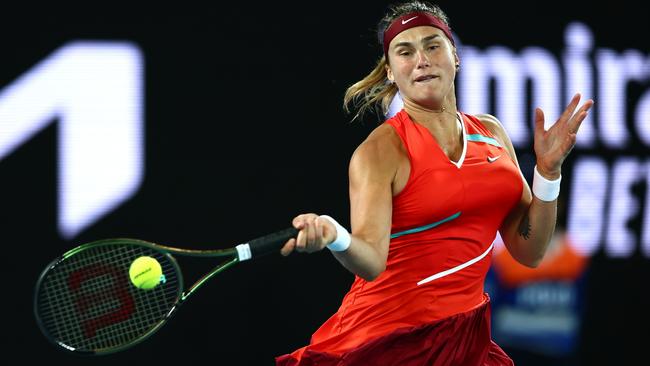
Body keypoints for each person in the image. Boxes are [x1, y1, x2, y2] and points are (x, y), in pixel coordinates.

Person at [276, 1, 594, 365]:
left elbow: (530, 251)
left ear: (454, 56)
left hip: (464, 340)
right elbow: (370, 261)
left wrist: (548, 173)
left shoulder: (491, 134)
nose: (422, 60)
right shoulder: (380, 152)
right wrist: (336, 235)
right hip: (388, 340)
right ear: (392, 72)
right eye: (405, 51)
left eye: (432, 45)